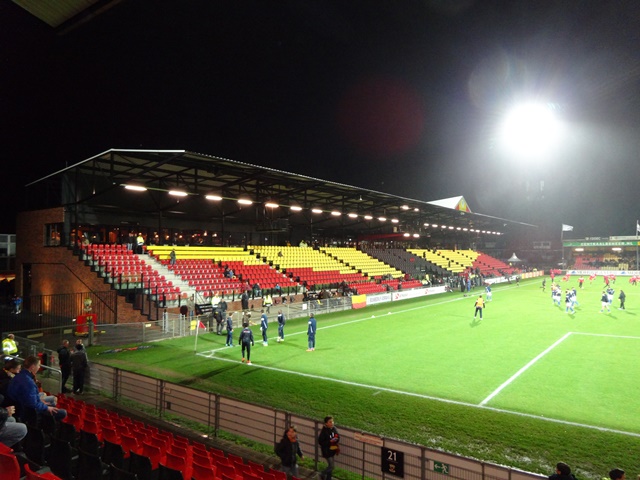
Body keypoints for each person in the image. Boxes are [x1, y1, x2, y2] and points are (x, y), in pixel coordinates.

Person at [6, 355, 67, 421]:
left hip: (21, 405)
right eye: (38, 365)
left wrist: (39, 401)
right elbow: (32, 404)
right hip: (27, 410)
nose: (39, 367)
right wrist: (46, 407)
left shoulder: (19, 375)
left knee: (51, 401)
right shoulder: (28, 382)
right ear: (32, 367)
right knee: (63, 412)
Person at [318, 415, 340, 480]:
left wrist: (335, 439)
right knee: (332, 466)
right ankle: (322, 473)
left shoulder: (334, 428)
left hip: (332, 450)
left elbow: (338, 437)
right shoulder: (324, 431)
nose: (332, 423)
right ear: (326, 423)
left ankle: (328, 478)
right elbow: (320, 441)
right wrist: (329, 441)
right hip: (327, 451)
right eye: (330, 422)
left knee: (330, 466)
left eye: (332, 421)